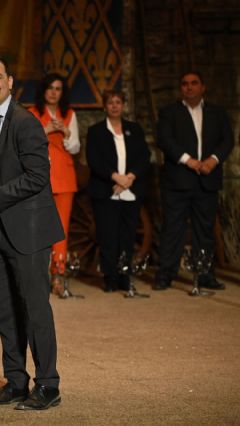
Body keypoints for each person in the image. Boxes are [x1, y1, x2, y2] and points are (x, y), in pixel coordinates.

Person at [0, 56, 64, 410]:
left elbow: (39, 177)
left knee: (35, 307)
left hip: (27, 228)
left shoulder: (26, 122)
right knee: (4, 309)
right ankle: (16, 381)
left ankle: (48, 385)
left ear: (9, 82)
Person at [154, 72, 234, 291]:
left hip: (207, 179)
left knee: (205, 230)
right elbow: (164, 140)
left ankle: (205, 274)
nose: (189, 87)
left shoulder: (217, 113)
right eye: (185, 84)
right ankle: (166, 274)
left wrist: (213, 160)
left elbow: (228, 140)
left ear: (203, 87)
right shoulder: (170, 112)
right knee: (173, 228)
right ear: (181, 89)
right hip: (178, 180)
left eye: (193, 83)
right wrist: (189, 161)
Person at [86, 90, 151, 292]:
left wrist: (129, 178)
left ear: (123, 105)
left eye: (118, 102)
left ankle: (125, 275)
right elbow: (94, 160)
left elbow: (144, 157)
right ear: (105, 106)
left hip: (130, 190)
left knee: (127, 235)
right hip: (106, 190)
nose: (114, 106)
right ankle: (110, 277)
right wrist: (115, 177)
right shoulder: (96, 131)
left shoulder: (135, 129)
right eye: (110, 103)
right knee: (108, 236)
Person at [28, 73, 80, 295]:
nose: (53, 92)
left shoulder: (69, 114)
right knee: (36, 228)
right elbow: (26, 143)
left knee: (61, 230)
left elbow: (76, 147)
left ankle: (58, 276)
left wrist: (66, 132)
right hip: (39, 178)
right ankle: (37, 276)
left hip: (64, 177)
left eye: (58, 88)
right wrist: (45, 130)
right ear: (44, 91)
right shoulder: (32, 113)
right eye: (50, 88)